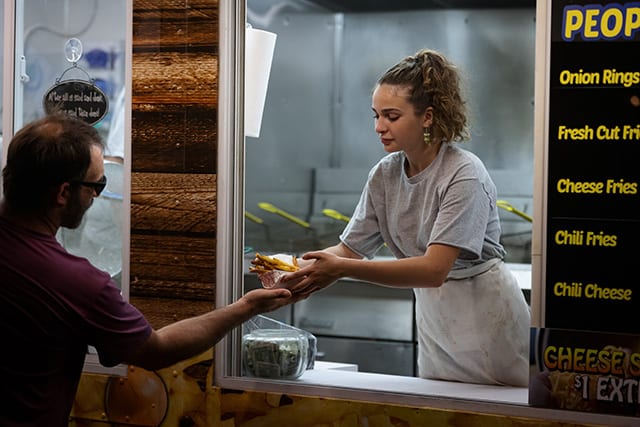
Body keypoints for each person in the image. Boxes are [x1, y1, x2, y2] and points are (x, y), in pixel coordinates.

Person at [0, 114, 298, 426]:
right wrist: (248, 306)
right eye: (96, 185)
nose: (97, 196)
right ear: (62, 193)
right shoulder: (76, 283)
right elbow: (156, 350)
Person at [283, 49, 531, 386]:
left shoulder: (463, 173)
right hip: (434, 318)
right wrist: (297, 268)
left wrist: (341, 270)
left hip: (488, 316)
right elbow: (350, 249)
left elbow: (433, 270)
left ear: (427, 116)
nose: (379, 127)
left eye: (391, 116)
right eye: (376, 115)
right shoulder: (385, 174)